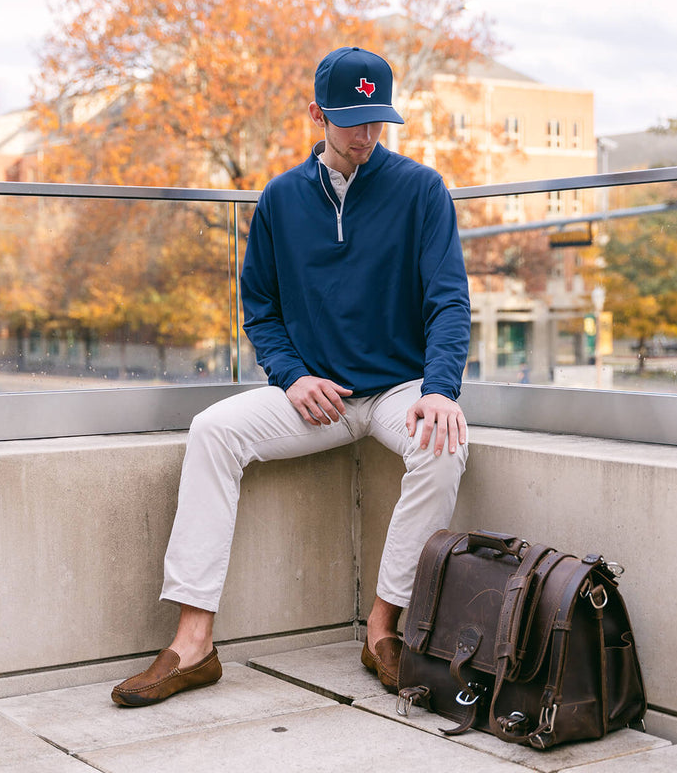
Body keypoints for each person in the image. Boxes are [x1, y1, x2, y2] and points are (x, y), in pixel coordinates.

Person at [112, 46, 471, 707]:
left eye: (377, 120)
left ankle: (382, 627)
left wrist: (441, 391)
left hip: (397, 390)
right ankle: (193, 644)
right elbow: (262, 310)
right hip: (318, 397)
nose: (366, 134)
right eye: (351, 119)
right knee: (213, 431)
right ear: (317, 114)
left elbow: (449, 300)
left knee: (443, 443)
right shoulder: (279, 199)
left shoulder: (420, 190)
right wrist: (293, 376)